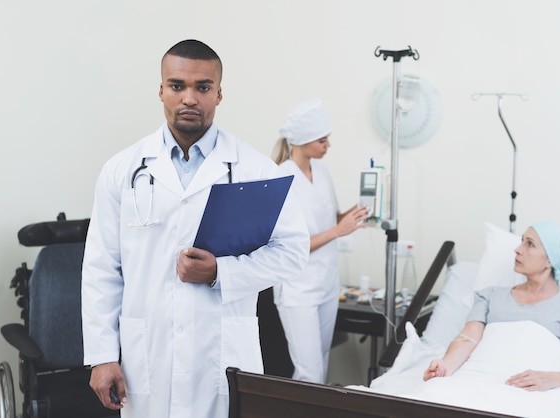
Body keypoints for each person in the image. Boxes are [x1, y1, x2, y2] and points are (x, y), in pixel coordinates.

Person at [81, 39, 309, 418]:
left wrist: (222, 272)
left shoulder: (255, 171)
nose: (189, 98)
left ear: (219, 94)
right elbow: (102, 268)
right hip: (147, 357)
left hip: (221, 356)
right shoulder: (122, 171)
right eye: (177, 86)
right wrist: (102, 355)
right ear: (161, 91)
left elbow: (293, 252)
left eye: (202, 87)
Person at [423, 221, 560, 395]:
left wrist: (552, 379)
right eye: (521, 241)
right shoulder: (489, 296)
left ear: (551, 259)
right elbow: (467, 338)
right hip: (477, 379)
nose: (517, 249)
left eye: (530, 244)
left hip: (532, 392)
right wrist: (445, 366)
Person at [271, 99, 370, 383]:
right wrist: (340, 230)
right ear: (302, 140)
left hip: (327, 285)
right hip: (297, 290)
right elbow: (288, 244)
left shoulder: (322, 171)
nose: (328, 145)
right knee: (309, 373)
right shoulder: (281, 177)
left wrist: (359, 211)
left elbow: (333, 217)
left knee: (322, 365)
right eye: (322, 140)